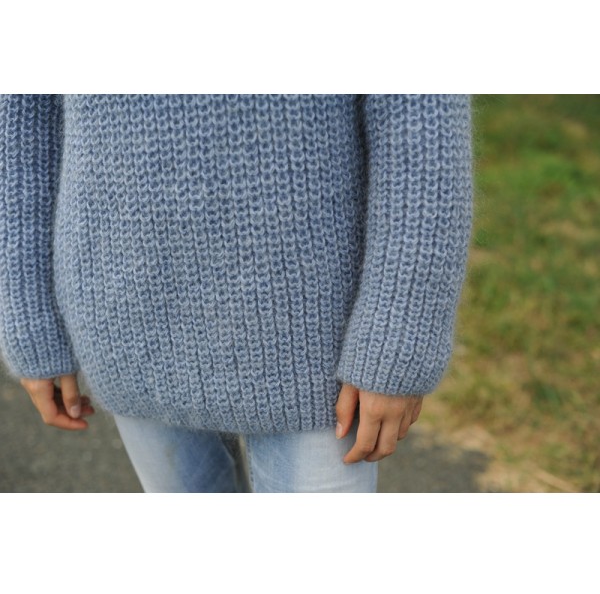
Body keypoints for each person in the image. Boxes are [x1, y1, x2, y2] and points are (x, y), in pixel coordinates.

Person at [0, 94, 473, 492]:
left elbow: (423, 138)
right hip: (124, 316)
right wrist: (27, 317)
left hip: (313, 341)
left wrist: (399, 333)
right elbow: (18, 140)